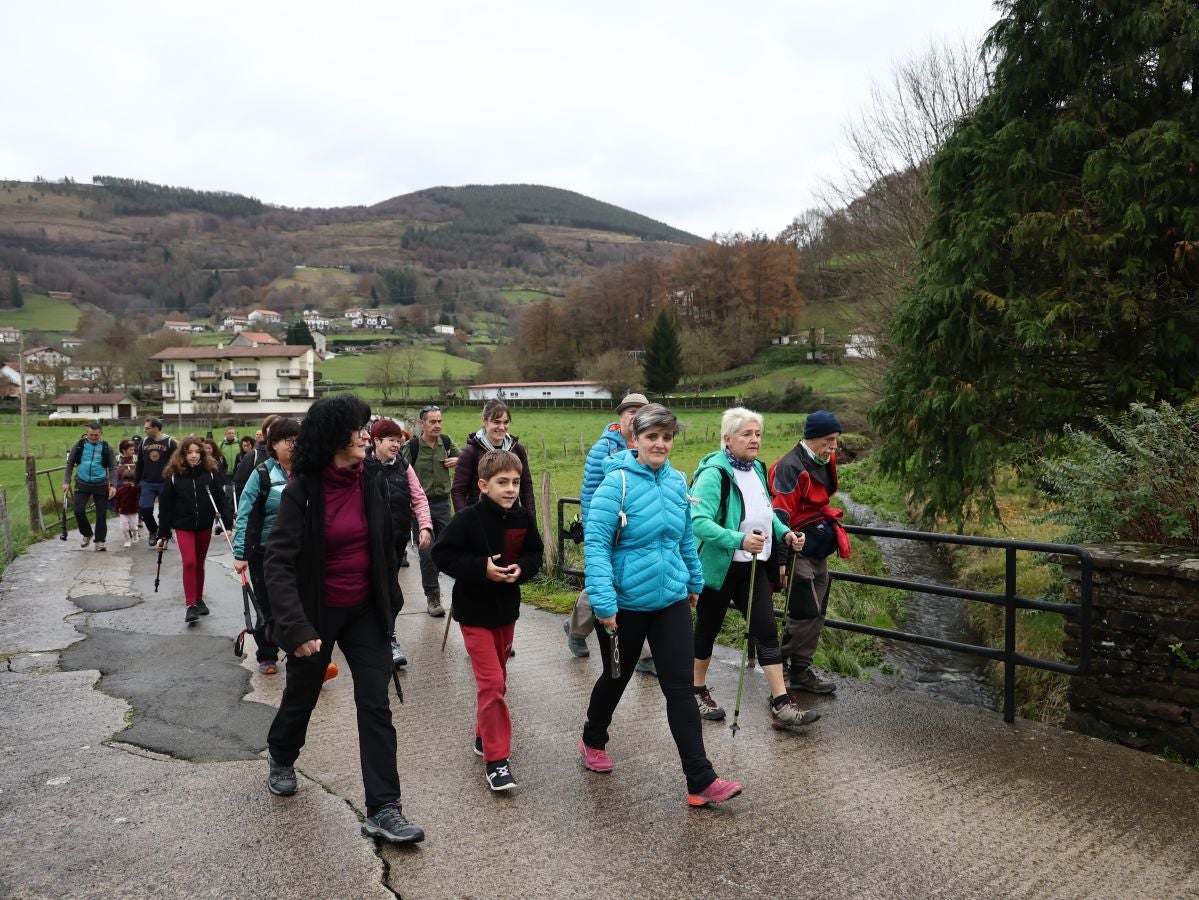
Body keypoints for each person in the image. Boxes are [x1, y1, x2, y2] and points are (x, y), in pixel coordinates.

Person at [263, 394, 424, 845]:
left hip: (366, 612)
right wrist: (294, 626)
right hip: (317, 612)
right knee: (303, 692)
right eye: (358, 428)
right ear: (335, 435)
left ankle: (384, 808)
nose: (365, 435)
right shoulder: (303, 491)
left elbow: (387, 544)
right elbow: (277, 561)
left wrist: (389, 597)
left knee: (375, 702)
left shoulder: (371, 478)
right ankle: (281, 754)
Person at [578, 403, 742, 808]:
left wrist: (694, 579)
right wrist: (603, 602)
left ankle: (700, 780)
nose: (660, 444)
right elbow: (596, 547)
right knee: (616, 678)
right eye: (652, 437)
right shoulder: (615, 484)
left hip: (669, 600)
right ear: (635, 439)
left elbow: (684, 537)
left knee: (680, 689)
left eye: (667, 437)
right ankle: (592, 738)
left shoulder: (676, 482)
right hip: (624, 604)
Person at [690, 407, 819, 730]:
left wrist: (784, 534)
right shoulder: (714, 474)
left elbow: (767, 512)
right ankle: (695, 691)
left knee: (766, 632)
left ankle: (781, 703)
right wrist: (738, 540)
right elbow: (698, 522)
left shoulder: (757, 469)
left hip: (754, 567)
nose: (754, 440)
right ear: (727, 438)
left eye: (758, 434)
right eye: (747, 434)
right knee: (708, 629)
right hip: (720, 569)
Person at [432, 449, 543, 792]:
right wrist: (482, 568)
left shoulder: (523, 518)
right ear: (483, 485)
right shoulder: (467, 519)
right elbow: (442, 554)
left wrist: (522, 569)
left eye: (515, 482)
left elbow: (535, 553)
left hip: (506, 613)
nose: (510, 489)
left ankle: (483, 733)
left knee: (499, 682)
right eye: (502, 482)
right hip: (474, 615)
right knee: (491, 683)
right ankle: (497, 762)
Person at [767, 410, 850, 695]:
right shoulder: (790, 467)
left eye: (836, 440)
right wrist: (782, 558)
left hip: (816, 547)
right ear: (811, 438)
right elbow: (778, 514)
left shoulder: (825, 459)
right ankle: (778, 666)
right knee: (804, 611)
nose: (834, 446)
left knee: (819, 611)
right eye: (829, 440)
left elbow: (819, 500)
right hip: (794, 546)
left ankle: (800, 670)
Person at [563, 392, 646, 660]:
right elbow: (589, 493)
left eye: (640, 411)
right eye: (630, 411)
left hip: (638, 530)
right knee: (604, 582)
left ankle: (645, 655)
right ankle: (576, 630)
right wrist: (594, 528)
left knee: (637, 583)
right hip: (608, 528)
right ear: (620, 416)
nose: (635, 416)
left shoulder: (647, 445)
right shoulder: (604, 448)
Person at [233, 417, 301, 675]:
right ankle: (267, 654)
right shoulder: (261, 473)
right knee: (266, 604)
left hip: (299, 551)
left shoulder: (307, 472)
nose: (293, 445)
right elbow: (245, 514)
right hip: (266, 552)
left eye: (297, 440)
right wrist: (241, 553)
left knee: (300, 602)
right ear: (273, 444)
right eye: (288, 440)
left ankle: (300, 651)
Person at [368, 417, 434, 667]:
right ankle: (383, 640)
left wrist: (425, 526)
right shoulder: (362, 466)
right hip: (367, 545)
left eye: (399, 441)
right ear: (376, 441)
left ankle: (386, 637)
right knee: (375, 593)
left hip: (395, 543)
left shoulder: (403, 466)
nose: (396, 445)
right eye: (391, 440)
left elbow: (418, 498)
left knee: (392, 595)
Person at [156, 436, 233, 624]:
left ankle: (199, 599)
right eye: (189, 452)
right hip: (183, 526)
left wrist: (227, 524)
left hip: (204, 524)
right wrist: (163, 534)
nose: (193, 456)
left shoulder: (210, 473)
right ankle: (190, 604)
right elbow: (165, 507)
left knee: (199, 563)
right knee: (189, 562)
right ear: (183, 453)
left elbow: (222, 499)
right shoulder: (173, 475)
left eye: (197, 452)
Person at [400, 404, 459, 617]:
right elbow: (401, 471)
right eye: (433, 421)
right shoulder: (412, 446)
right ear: (422, 423)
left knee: (449, 548)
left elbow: (466, 459)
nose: (437, 425)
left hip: (443, 503)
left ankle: (460, 593)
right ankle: (432, 596)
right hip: (419, 506)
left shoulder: (446, 442)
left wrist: (457, 460)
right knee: (426, 552)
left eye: (439, 421)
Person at [451, 399, 535, 517]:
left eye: (506, 422)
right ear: (484, 421)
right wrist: (467, 522)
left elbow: (526, 488)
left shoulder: (518, 450)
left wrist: (530, 522)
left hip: (511, 517)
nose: (502, 427)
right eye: (496, 422)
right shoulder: (471, 452)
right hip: (480, 519)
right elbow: (458, 491)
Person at [63, 422, 117, 551]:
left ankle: (100, 541)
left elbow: (113, 467)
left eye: (96, 435)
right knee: (78, 511)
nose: (93, 437)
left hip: (101, 484)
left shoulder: (106, 447)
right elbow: (70, 463)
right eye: (91, 434)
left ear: (101, 433)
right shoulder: (79, 445)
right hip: (82, 482)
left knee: (101, 514)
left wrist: (113, 485)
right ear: (87, 433)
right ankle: (87, 533)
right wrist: (66, 481)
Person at [136, 417, 178, 549]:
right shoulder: (144, 443)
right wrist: (137, 481)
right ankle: (153, 530)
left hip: (164, 482)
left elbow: (176, 463)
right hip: (147, 482)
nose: (145, 430)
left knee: (164, 511)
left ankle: (163, 535)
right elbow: (140, 464)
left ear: (156, 428)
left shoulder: (170, 442)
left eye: (147, 428)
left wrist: (175, 481)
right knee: (145, 508)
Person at [233, 415, 280, 497]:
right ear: (265, 431)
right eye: (272, 426)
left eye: (279, 426)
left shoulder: (291, 455)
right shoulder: (252, 456)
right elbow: (239, 485)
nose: (276, 429)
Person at [114, 470, 141, 549]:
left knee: (133, 527)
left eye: (129, 481)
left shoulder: (135, 489)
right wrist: (116, 509)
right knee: (124, 528)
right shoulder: (120, 490)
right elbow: (117, 500)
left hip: (134, 512)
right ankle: (127, 540)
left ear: (133, 481)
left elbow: (141, 489)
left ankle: (135, 533)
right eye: (125, 481)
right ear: (122, 481)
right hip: (123, 512)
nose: (127, 483)